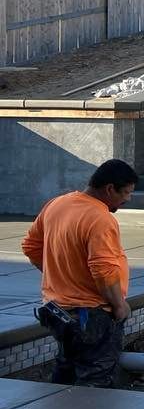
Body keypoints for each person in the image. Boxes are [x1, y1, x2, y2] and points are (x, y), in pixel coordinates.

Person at [21, 159, 137, 387]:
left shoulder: (57, 204)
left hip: (57, 311)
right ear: (109, 189)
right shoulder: (101, 219)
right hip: (92, 315)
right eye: (125, 193)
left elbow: (31, 247)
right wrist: (119, 306)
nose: (127, 199)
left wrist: (62, 274)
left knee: (66, 369)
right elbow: (104, 271)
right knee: (96, 379)